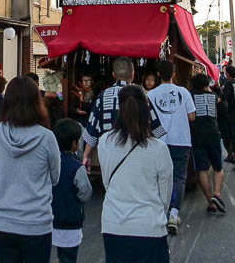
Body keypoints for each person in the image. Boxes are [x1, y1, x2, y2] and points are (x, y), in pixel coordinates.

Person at [98, 85, 173, 263]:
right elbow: (165, 194)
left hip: (113, 226)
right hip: (149, 227)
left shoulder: (105, 142)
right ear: (146, 111)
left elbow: (107, 182)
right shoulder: (159, 148)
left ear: (119, 110)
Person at [0, 76, 61, 263]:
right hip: (36, 223)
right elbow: (55, 177)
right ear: (36, 102)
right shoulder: (47, 138)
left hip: (2, 222)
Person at [81, 57, 167, 171]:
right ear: (133, 74)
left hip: (110, 152)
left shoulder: (104, 96)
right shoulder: (140, 94)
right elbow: (155, 128)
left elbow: (93, 127)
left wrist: (86, 155)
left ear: (113, 74)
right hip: (138, 152)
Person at [147, 60, 195, 235]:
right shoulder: (183, 92)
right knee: (179, 177)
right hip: (181, 140)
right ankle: (174, 214)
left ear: (158, 74)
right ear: (173, 74)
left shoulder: (151, 95)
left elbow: (147, 119)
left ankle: (161, 212)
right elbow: (192, 116)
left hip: (158, 141)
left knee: (158, 177)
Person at [50, 119, 93, 263]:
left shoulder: (49, 162)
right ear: (74, 143)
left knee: (56, 253)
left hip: (51, 217)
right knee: (68, 257)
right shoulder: (76, 167)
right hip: (71, 219)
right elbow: (85, 193)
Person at [189, 74, 226, 216]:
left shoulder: (190, 95)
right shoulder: (213, 96)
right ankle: (217, 194)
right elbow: (220, 98)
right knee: (218, 167)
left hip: (197, 136)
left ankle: (211, 203)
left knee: (202, 170)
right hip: (213, 133)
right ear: (206, 85)